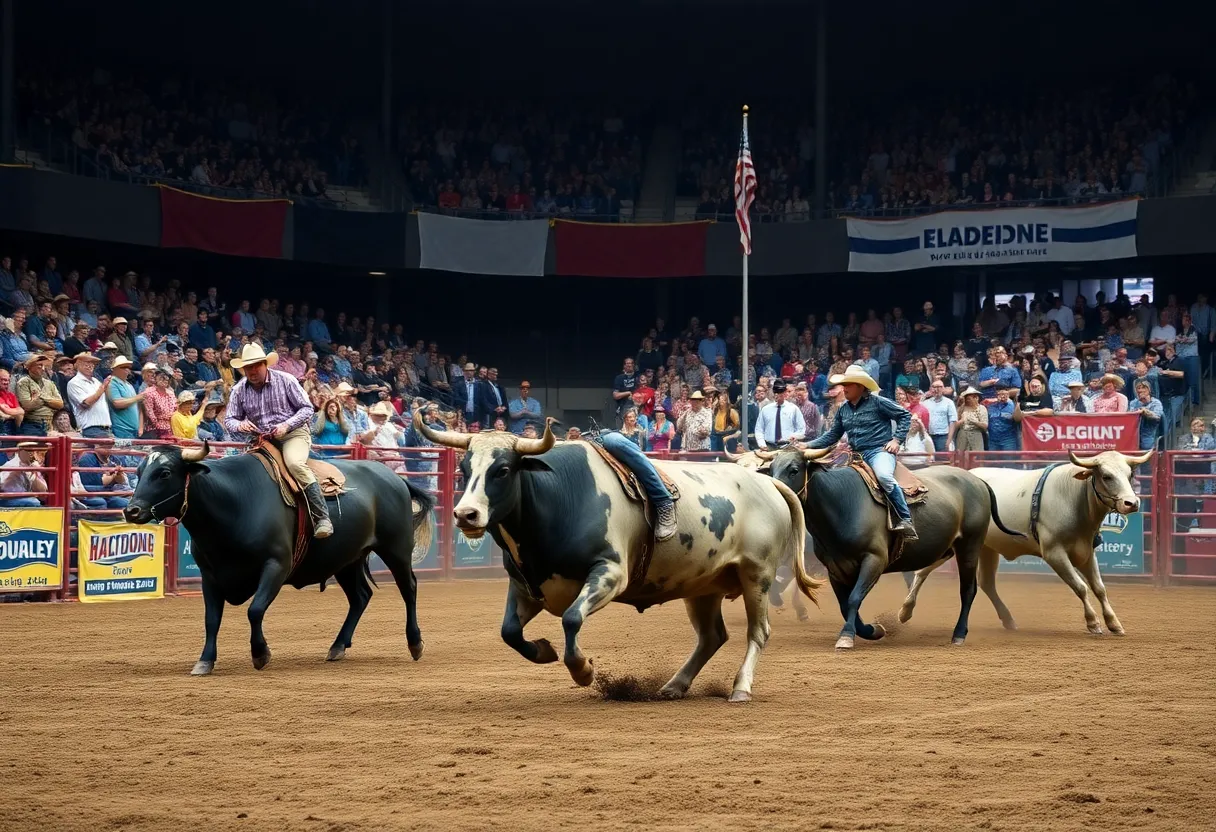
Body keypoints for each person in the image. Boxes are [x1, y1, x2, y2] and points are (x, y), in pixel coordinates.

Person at [223, 342, 332, 537]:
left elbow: (307, 408)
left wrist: (286, 425)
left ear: (266, 364)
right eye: (248, 367)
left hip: (293, 434)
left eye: (256, 365)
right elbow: (230, 419)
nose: (252, 370)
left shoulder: (286, 380)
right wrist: (240, 425)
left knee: (294, 463)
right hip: (260, 440)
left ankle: (322, 517)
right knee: (245, 472)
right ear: (243, 369)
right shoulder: (239, 390)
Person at [805, 364, 916, 539]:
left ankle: (906, 519)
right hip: (855, 455)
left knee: (884, 476)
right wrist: (807, 446)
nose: (844, 388)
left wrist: (896, 440)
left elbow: (905, 415)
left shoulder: (878, 402)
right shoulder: (844, 409)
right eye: (844, 384)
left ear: (860, 386)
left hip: (879, 452)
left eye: (848, 384)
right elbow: (833, 435)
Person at [753, 379, 806, 449]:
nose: (777, 395)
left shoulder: (793, 409)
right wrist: (762, 444)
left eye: (779, 392)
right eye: (775, 392)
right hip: (768, 446)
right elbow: (759, 429)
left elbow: (801, 429)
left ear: (785, 393)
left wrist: (794, 436)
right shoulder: (765, 409)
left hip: (788, 446)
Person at [949, 387, 987, 452]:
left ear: (976, 398)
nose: (967, 401)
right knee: (961, 457)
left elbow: (985, 426)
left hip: (976, 434)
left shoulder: (982, 408)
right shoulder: (961, 408)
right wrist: (962, 420)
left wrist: (974, 421)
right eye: (966, 399)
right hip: (962, 435)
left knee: (977, 457)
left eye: (969, 399)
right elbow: (954, 425)